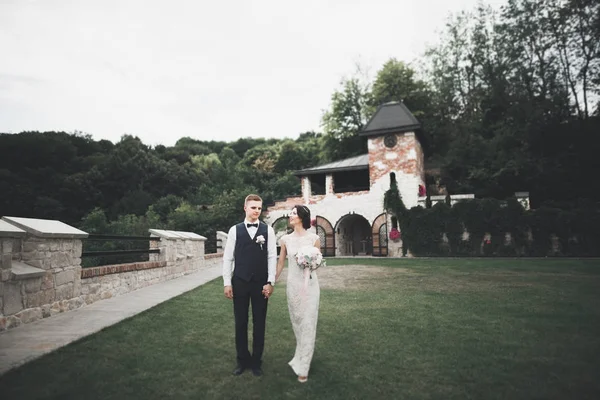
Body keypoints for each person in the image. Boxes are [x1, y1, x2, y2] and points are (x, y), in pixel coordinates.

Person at [222, 194, 277, 377]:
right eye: (253, 207)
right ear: (245, 208)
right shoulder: (234, 230)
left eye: (259, 208)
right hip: (240, 282)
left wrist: (270, 282)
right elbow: (228, 258)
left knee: (259, 323)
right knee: (241, 323)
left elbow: (271, 257)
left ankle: (256, 362)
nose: (257, 211)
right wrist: (227, 283)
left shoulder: (267, 230)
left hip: (261, 284)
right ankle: (242, 361)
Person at [276, 205, 321, 383]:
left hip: (310, 287)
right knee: (298, 324)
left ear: (301, 217)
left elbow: (318, 262)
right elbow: (280, 263)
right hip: (293, 286)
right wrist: (271, 280)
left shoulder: (314, 239)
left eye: (294, 213)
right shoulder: (285, 239)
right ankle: (301, 355)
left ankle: (304, 367)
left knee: (309, 323)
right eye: (291, 213)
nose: (290, 216)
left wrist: (309, 262)